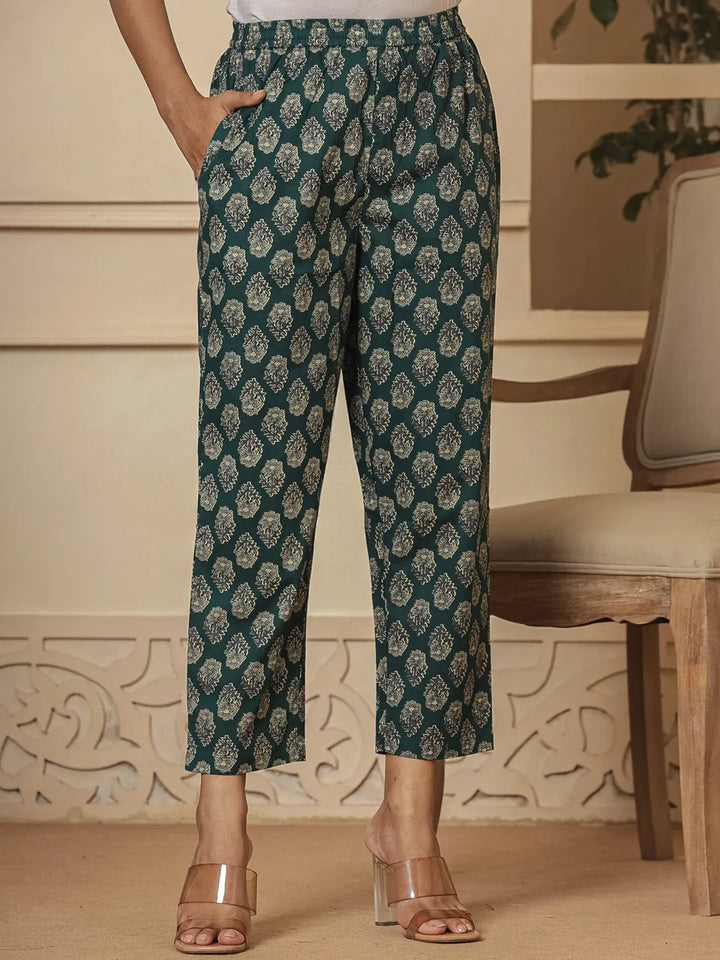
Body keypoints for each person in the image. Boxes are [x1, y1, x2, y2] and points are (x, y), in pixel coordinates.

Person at [109, 0, 500, 952]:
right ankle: (221, 828)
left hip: (438, 87)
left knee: (436, 476)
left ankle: (410, 824)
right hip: (275, 96)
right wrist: (178, 104)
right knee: (253, 481)